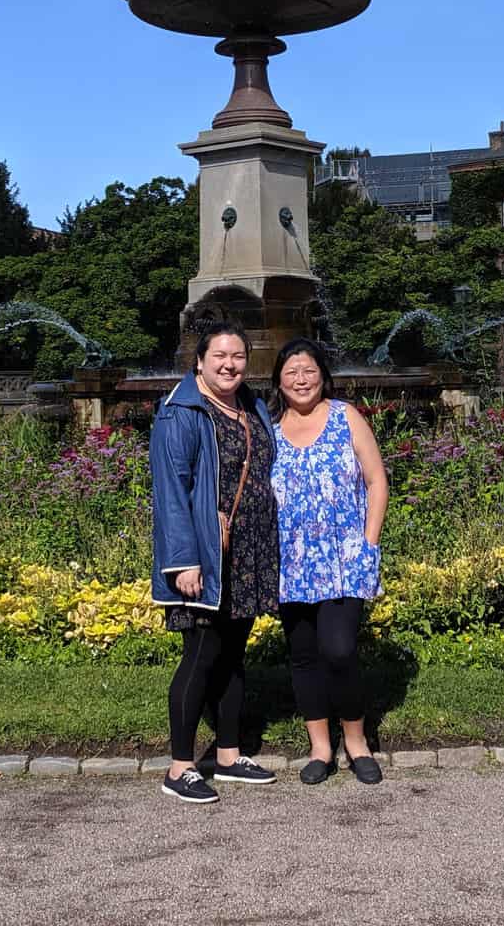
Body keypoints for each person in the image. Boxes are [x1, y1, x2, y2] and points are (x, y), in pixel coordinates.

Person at [150, 322, 281, 804]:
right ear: (200, 360)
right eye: (221, 356)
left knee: (231, 656)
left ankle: (228, 756)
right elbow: (171, 491)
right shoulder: (182, 411)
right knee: (201, 657)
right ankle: (179, 767)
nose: (230, 364)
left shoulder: (251, 405)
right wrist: (184, 560)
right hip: (205, 556)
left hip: (245, 552)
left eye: (239, 357)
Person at [268, 338, 389, 786]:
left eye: (309, 370)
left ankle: (357, 742)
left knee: (339, 650)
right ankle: (320, 747)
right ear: (279, 381)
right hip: (290, 561)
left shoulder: (346, 417)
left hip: (343, 558)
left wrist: (368, 543)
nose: (301, 379)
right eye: (292, 372)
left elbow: (377, 480)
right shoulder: (271, 429)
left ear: (322, 374)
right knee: (304, 657)